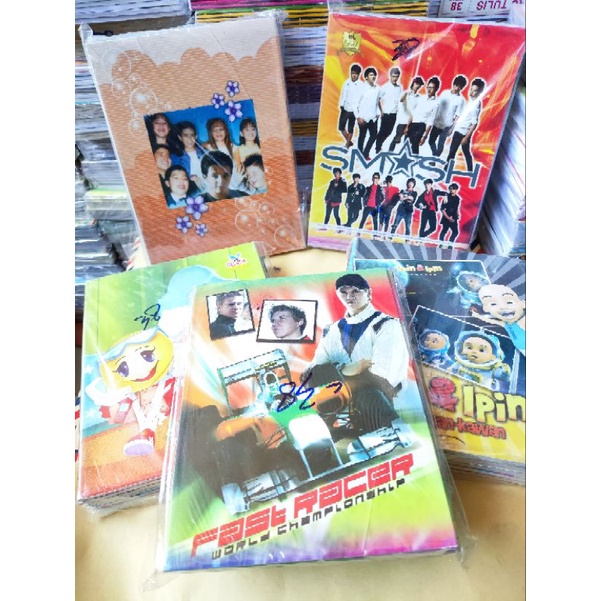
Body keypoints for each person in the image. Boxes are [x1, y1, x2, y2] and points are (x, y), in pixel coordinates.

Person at [302, 273, 409, 434]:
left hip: (379, 409)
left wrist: (330, 374)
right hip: (340, 413)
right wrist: (345, 369)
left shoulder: (387, 325)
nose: (349, 296)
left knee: (369, 394)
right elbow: (310, 375)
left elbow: (383, 378)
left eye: (355, 291)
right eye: (343, 292)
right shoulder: (332, 330)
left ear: (369, 293)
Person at [471, 284, 526, 356]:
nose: (503, 307)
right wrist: (478, 316)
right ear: (486, 308)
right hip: (522, 349)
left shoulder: (523, 321)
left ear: (523, 303)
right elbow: (491, 321)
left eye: (509, 302)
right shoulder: (507, 324)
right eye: (493, 304)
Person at [446, 77, 485, 171]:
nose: (471, 92)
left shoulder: (476, 104)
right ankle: (470, 170)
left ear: (480, 92)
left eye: (475, 91)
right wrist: (452, 128)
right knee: (465, 152)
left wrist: (466, 137)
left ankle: (446, 170)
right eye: (471, 89)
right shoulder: (471, 100)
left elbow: (474, 123)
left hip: (462, 132)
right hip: (459, 130)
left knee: (452, 153)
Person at [428, 75, 467, 157]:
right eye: (456, 85)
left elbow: (457, 115)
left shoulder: (460, 100)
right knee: (431, 141)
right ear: (454, 84)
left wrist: (452, 129)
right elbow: (437, 105)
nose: (457, 88)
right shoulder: (445, 93)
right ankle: (435, 155)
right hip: (437, 122)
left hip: (447, 125)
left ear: (462, 88)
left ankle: (434, 159)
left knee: (441, 144)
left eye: (460, 87)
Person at [405, 76, 441, 155]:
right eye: (428, 87)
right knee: (405, 146)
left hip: (421, 126)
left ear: (436, 89)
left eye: (432, 88)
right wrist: (407, 126)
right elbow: (413, 113)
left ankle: (414, 161)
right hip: (412, 124)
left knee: (414, 147)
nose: (429, 89)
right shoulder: (421, 98)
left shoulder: (436, 104)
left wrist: (424, 137)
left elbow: (430, 121)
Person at [202, 117, 242, 187]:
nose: (218, 133)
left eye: (221, 129)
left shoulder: (233, 147)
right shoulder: (207, 147)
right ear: (211, 133)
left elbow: (238, 169)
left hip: (233, 183)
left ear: (226, 131)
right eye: (215, 130)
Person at [389, 76, 423, 152]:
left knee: (407, 141)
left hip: (411, 121)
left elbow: (416, 111)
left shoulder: (419, 98)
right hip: (402, 121)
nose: (417, 86)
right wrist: (407, 93)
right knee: (397, 138)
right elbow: (401, 100)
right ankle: (389, 152)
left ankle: (404, 155)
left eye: (419, 85)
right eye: (416, 84)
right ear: (413, 83)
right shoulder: (406, 93)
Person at [375, 67, 403, 154]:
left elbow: (398, 100)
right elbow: (377, 99)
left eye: (396, 76)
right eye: (393, 76)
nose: (395, 78)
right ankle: (378, 148)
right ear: (390, 76)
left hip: (394, 114)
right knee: (382, 131)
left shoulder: (399, 88)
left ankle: (379, 144)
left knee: (389, 132)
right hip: (386, 113)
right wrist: (381, 111)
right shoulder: (384, 87)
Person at [171, 121, 207, 188]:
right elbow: (176, 176)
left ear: (196, 136)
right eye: (186, 135)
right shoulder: (176, 157)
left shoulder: (204, 152)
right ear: (180, 138)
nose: (189, 139)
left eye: (192, 135)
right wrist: (190, 178)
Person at [355, 66, 380, 160]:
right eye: (371, 75)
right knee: (362, 136)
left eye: (374, 75)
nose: (373, 77)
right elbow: (355, 104)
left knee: (374, 135)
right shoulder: (361, 88)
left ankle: (365, 153)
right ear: (366, 77)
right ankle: (359, 154)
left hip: (373, 118)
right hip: (363, 117)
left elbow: (377, 102)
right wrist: (358, 117)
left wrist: (378, 113)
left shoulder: (377, 88)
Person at [338, 63, 364, 148]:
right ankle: (349, 142)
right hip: (345, 108)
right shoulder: (346, 83)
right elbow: (343, 94)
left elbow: (360, 99)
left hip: (354, 110)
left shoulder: (361, 85)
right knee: (341, 127)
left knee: (350, 128)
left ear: (359, 75)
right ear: (350, 73)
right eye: (353, 73)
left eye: (356, 74)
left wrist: (358, 112)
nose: (354, 75)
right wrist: (341, 105)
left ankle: (347, 145)